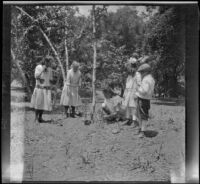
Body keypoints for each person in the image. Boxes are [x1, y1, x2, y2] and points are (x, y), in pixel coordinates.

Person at [31, 56, 54, 123]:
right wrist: (42, 70)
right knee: (38, 103)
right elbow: (36, 76)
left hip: (46, 89)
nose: (51, 64)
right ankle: (36, 118)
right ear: (46, 61)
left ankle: (40, 118)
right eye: (50, 62)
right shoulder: (39, 67)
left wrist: (53, 83)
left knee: (43, 104)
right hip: (39, 88)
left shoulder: (50, 69)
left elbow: (50, 80)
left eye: (51, 62)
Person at [135, 63, 155, 138]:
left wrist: (138, 89)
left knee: (142, 115)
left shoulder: (146, 79)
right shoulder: (151, 79)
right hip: (146, 99)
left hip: (143, 99)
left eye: (142, 72)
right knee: (141, 115)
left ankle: (142, 131)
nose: (141, 74)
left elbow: (144, 91)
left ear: (146, 72)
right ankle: (141, 129)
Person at [122, 57, 142, 126]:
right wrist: (124, 93)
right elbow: (127, 84)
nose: (129, 69)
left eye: (129, 67)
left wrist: (137, 94)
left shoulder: (137, 75)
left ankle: (134, 121)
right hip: (128, 92)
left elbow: (139, 85)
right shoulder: (129, 75)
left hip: (134, 92)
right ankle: (128, 119)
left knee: (133, 107)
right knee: (127, 106)